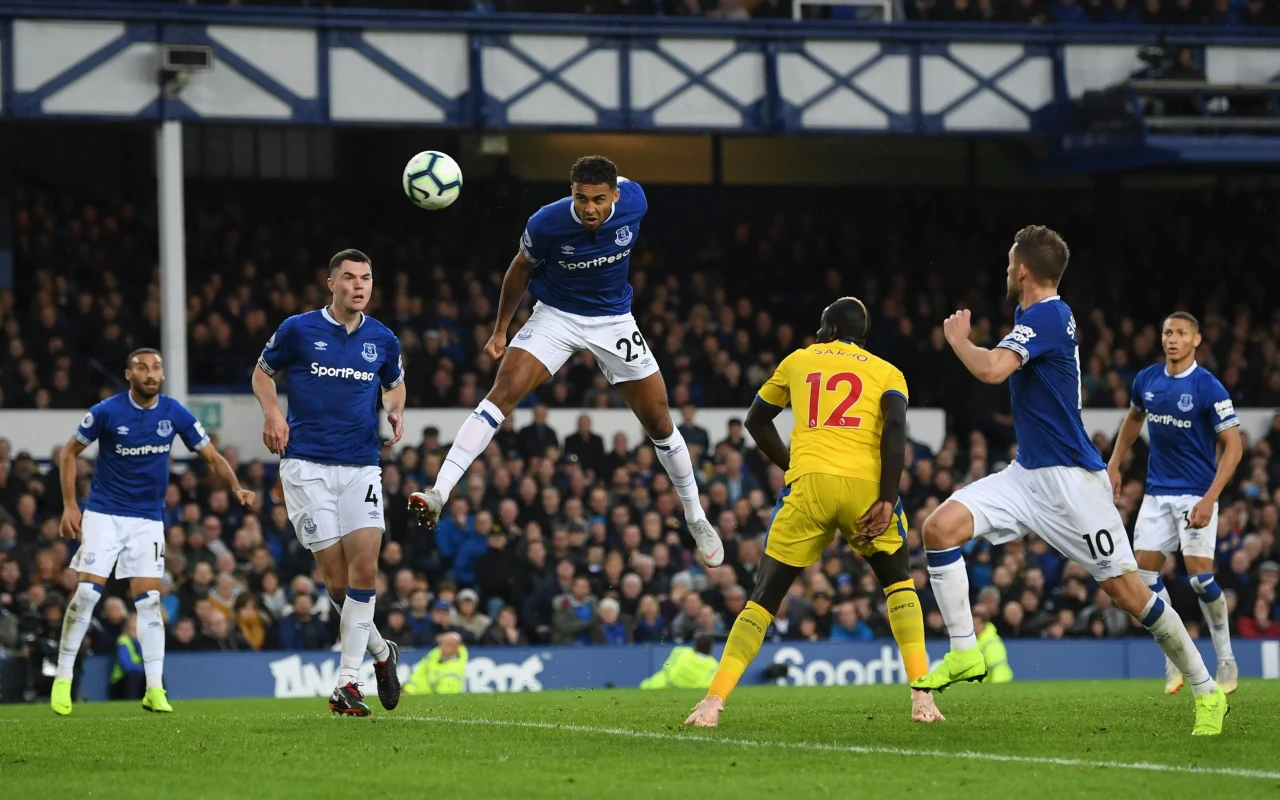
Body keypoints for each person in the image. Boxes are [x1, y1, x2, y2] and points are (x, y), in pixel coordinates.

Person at [913, 226, 1227, 736]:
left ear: (1021, 271)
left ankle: (1205, 689)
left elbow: (993, 370)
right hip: (1026, 476)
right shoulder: (1032, 315)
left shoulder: (1049, 316)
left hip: (1073, 485)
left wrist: (958, 341)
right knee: (938, 529)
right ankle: (966, 653)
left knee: (1131, 597)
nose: (1005, 270)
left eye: (1009, 262)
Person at [409, 156, 722, 567]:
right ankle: (439, 491)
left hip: (613, 320)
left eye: (597, 199)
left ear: (614, 195)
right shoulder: (546, 223)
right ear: (570, 192)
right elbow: (519, 270)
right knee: (500, 395)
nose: (589, 208)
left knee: (660, 421)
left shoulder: (635, 201)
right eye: (580, 198)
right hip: (557, 316)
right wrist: (501, 329)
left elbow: (626, 183)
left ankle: (696, 516)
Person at [685, 298, 940, 727]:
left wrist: (794, 467)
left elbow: (755, 420)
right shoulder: (887, 371)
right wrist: (886, 497)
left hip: (809, 487)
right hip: (866, 489)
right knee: (899, 584)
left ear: (829, 328)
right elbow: (895, 430)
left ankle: (712, 703)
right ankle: (922, 698)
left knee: (763, 598)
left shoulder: (800, 359)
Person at [52, 348, 256, 716]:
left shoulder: (174, 412)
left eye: (156, 368)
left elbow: (210, 455)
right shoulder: (107, 411)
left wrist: (236, 487)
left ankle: (154, 689)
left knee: (149, 604)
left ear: (161, 375)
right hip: (104, 514)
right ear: (128, 374)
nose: (150, 373)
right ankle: (63, 676)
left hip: (147, 519)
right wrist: (70, 505)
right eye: (142, 367)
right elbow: (68, 453)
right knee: (85, 594)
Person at [253, 248, 404, 717]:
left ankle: (347, 684)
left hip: (361, 465)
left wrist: (395, 408)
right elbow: (261, 374)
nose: (359, 286)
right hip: (306, 468)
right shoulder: (298, 329)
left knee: (364, 571)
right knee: (338, 587)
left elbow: (394, 383)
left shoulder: (383, 339)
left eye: (366, 278)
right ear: (331, 283)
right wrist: (273, 411)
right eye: (350, 278)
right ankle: (382, 653)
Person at [1108, 311, 1243, 696]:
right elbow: (1134, 419)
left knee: (1201, 580)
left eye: (1181, 333)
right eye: (1168, 332)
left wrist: (1211, 498)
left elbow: (1234, 445)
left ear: (1196, 340)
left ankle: (1226, 657)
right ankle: (1175, 658)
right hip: (1156, 494)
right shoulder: (1147, 380)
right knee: (1145, 582)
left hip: (1196, 495)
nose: (1173, 339)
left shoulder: (1208, 387)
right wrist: (1115, 462)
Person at [640, 634, 719, 690]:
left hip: (660, 686)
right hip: (690, 697)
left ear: (695, 645)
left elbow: (667, 667)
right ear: (711, 648)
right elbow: (707, 686)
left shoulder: (680, 651)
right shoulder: (715, 666)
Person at [404, 632, 469, 695]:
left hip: (433, 699)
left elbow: (445, 695)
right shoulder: (432, 656)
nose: (443, 648)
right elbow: (417, 674)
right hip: (414, 694)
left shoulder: (456, 667)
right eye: (442, 644)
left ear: (457, 647)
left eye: (448, 645)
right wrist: (408, 690)